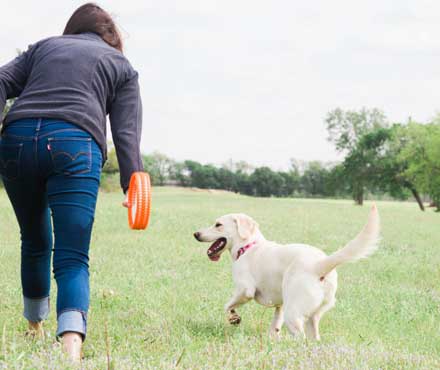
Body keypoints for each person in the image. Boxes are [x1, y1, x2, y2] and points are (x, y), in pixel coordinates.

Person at [0, 3, 143, 362]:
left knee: (34, 240)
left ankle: (34, 328)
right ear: (111, 37)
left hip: (15, 140)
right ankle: (70, 353)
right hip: (75, 143)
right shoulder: (120, 65)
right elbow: (126, 131)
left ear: (72, 29)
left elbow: (2, 80)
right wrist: (132, 184)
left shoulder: (44, 47)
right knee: (72, 255)